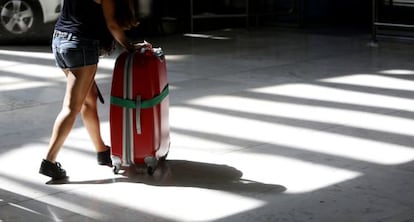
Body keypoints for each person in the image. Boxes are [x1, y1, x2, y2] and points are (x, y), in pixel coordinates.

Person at [39, 0, 148, 180]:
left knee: (89, 99)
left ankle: (101, 151)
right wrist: (129, 47)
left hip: (60, 41)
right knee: (71, 107)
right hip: (80, 45)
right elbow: (112, 23)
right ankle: (49, 161)